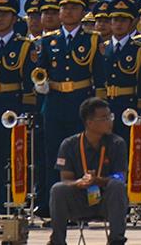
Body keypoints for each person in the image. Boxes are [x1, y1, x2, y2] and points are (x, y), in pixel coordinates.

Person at [47, 97, 129, 245]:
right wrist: (78, 183)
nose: (110, 121)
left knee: (117, 186)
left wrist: (98, 180)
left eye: (110, 117)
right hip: (79, 201)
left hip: (106, 202)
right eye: (104, 118)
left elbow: (121, 176)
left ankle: (116, 240)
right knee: (57, 189)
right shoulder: (69, 144)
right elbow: (65, 178)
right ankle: (57, 241)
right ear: (89, 122)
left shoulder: (117, 143)